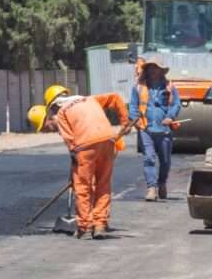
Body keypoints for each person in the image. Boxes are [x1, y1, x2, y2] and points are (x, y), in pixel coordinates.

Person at [27, 85, 130, 239]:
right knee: (103, 183)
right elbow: (115, 97)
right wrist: (125, 122)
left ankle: (85, 226)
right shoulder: (88, 99)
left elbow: (71, 142)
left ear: (53, 106)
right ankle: (100, 224)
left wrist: (75, 166)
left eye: (45, 127)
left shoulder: (62, 112)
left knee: (82, 186)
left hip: (86, 145)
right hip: (109, 140)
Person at [129, 57, 181, 201]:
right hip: (146, 129)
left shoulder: (170, 87)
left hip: (164, 130)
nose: (152, 70)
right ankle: (151, 188)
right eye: (150, 68)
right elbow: (133, 105)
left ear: (161, 70)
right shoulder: (138, 87)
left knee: (165, 161)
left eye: (155, 68)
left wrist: (170, 116)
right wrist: (136, 120)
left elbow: (177, 104)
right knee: (149, 158)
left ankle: (162, 183)